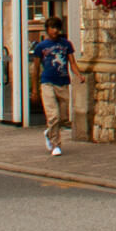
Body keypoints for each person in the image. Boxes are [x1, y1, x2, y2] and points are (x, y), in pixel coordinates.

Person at [29, 16, 83, 155]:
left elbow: (72, 63)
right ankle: (55, 145)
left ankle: (49, 132)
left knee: (63, 118)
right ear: (47, 29)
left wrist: (78, 75)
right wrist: (34, 90)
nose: (55, 31)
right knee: (53, 116)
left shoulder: (66, 44)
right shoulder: (41, 46)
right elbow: (35, 68)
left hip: (63, 82)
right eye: (52, 28)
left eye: (57, 28)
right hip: (47, 82)